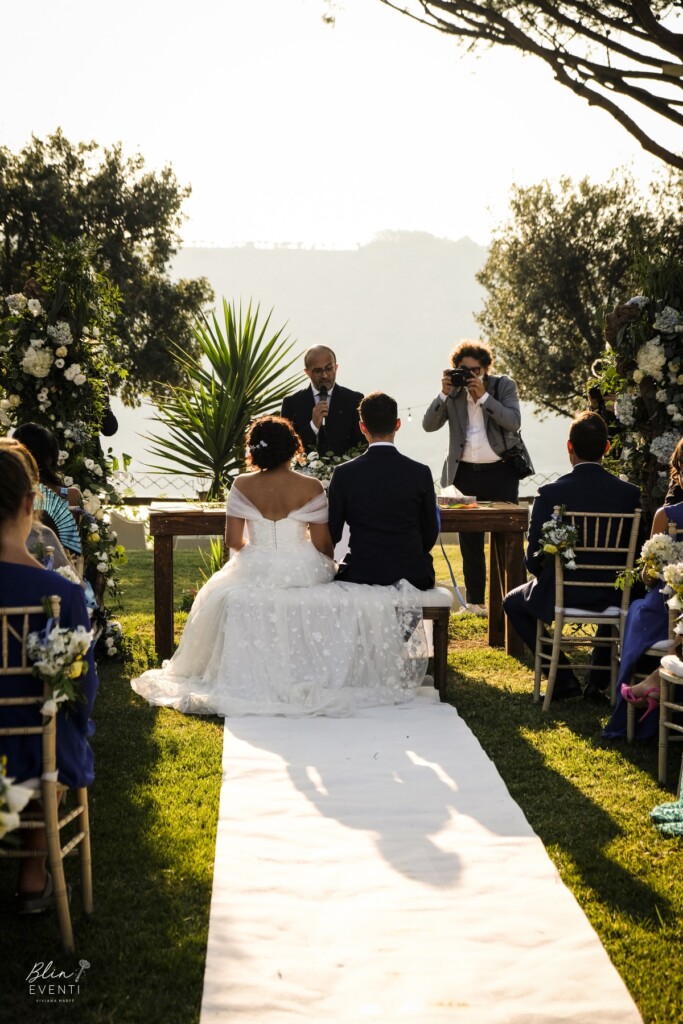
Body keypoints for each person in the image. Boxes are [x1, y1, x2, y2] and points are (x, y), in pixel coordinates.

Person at [131, 416, 427, 717]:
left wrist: (257, 556)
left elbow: (233, 540)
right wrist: (328, 564)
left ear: (255, 451)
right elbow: (324, 543)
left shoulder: (241, 484)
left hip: (254, 564)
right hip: (302, 565)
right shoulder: (309, 486)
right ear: (292, 447)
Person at [0, 442, 98, 912]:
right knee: (54, 725)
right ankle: (33, 876)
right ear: (29, 504)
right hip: (30, 750)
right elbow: (82, 689)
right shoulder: (59, 593)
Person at [503, 412, 642, 701]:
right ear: (607, 448)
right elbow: (636, 558)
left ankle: (563, 677)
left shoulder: (551, 492)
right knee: (613, 588)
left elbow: (532, 560)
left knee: (511, 603)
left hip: (562, 592)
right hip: (615, 596)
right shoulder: (629, 495)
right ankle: (597, 681)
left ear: (569, 447)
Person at [422, 340, 527, 615]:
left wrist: (483, 398)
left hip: (500, 470)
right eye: (463, 370)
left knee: (507, 536)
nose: (469, 376)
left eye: (475, 370)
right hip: (464, 472)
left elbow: (514, 422)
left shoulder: (503, 386)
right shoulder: (453, 392)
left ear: (486, 368)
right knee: (470, 540)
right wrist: (443, 394)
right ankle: (476, 602)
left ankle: (513, 601)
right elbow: (428, 425)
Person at [328, 391, 439, 590]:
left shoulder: (344, 473)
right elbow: (430, 530)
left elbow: (333, 532)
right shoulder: (420, 472)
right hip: (412, 572)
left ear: (362, 427)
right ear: (397, 424)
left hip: (363, 571)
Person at [12, 422, 84, 565]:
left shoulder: (10, 494)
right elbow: (72, 546)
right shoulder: (70, 495)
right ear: (52, 456)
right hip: (61, 571)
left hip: (15, 565)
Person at [280, 345, 364, 456]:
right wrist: (313, 426)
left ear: (336, 367)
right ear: (307, 372)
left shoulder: (354, 400)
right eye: (318, 371)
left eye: (329, 369)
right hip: (302, 472)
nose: (324, 375)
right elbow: (285, 447)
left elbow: (362, 444)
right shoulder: (291, 403)